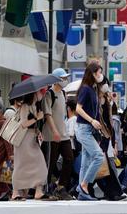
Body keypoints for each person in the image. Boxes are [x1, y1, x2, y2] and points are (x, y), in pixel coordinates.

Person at [11, 90, 53, 201]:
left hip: (31, 139)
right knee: (20, 165)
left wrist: (37, 130)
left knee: (40, 164)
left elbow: (30, 125)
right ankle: (15, 193)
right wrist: (36, 118)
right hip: (22, 140)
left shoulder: (35, 106)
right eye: (41, 92)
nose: (42, 95)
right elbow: (23, 124)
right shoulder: (25, 106)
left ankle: (38, 191)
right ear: (34, 93)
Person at [74, 62, 106, 201]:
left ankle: (82, 192)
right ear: (92, 73)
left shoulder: (93, 89)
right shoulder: (86, 89)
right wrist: (92, 121)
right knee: (98, 156)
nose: (100, 75)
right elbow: (78, 109)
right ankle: (84, 185)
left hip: (88, 129)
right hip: (83, 129)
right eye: (99, 72)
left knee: (85, 163)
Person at [42, 68, 74, 200]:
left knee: (69, 158)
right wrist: (54, 131)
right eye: (63, 78)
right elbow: (47, 114)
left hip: (64, 134)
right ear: (56, 80)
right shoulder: (49, 94)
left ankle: (61, 187)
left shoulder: (63, 93)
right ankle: (45, 189)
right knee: (50, 163)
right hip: (51, 135)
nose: (65, 80)